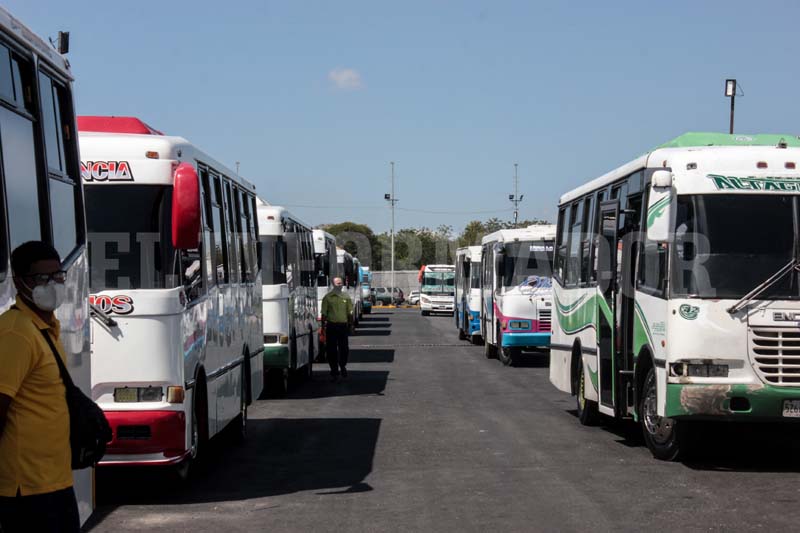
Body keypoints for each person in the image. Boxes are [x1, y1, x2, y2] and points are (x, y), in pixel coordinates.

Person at [0, 241, 79, 533]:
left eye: (57, 276)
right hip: (26, 488)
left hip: (54, 480)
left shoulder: (45, 328)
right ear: (20, 283)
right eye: (41, 279)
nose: (52, 284)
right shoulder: (15, 332)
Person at [321, 276, 353, 382]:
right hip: (331, 326)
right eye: (337, 283)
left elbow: (350, 312)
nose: (339, 285)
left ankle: (342, 365)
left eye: (340, 283)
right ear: (333, 285)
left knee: (344, 348)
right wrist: (323, 327)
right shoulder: (327, 298)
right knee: (331, 350)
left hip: (343, 326)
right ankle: (334, 370)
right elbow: (324, 314)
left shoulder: (346, 297)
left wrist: (351, 325)